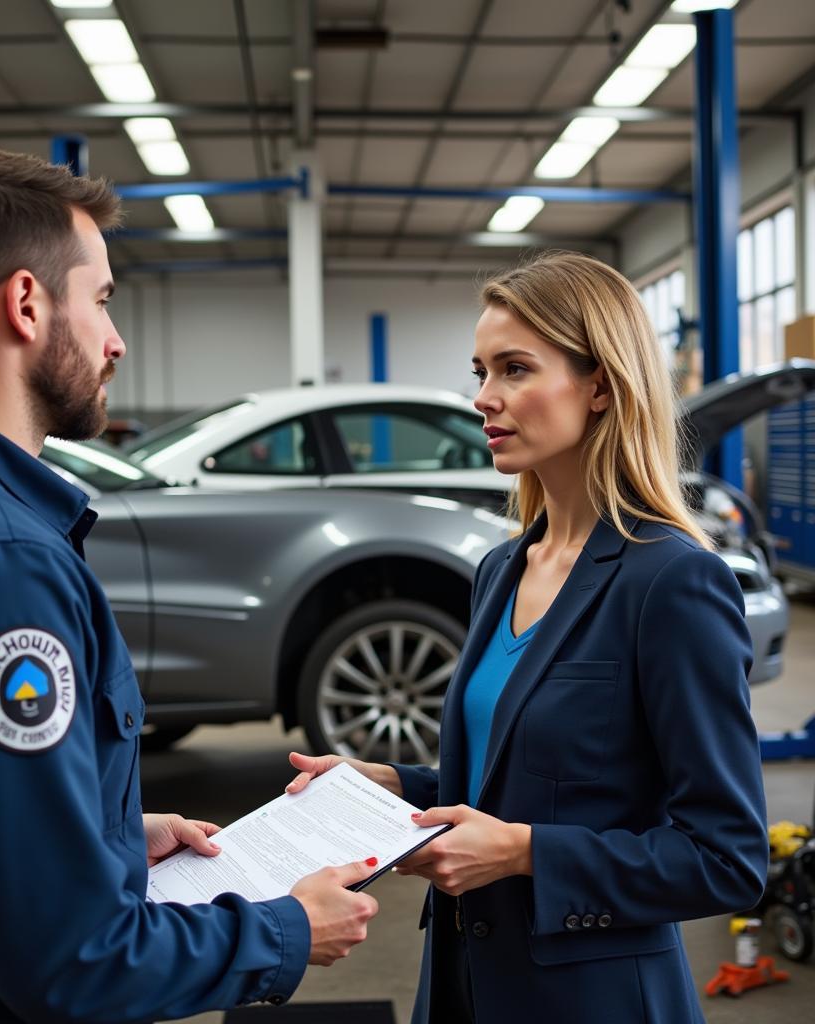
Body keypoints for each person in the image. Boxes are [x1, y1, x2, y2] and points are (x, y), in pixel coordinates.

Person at [0, 143, 378, 1023]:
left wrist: (105, 840)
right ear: (27, 304)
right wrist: (286, 929)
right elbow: (69, 962)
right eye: (101, 300)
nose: (116, 340)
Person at [285, 251, 769, 1023]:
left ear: (602, 384)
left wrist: (524, 854)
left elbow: (725, 858)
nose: (483, 398)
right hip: (465, 984)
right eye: (479, 371)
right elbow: (523, 783)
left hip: (594, 998)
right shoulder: (502, 569)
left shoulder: (671, 582)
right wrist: (393, 787)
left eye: (514, 369)